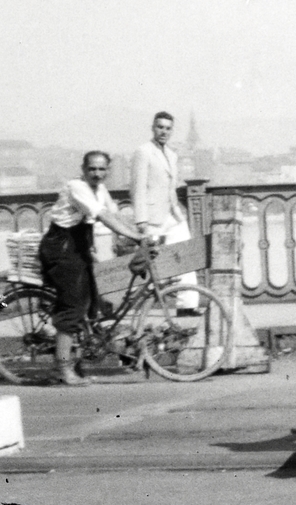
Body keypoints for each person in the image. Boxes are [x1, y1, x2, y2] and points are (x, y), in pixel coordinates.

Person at [39, 151, 145, 386]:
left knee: (91, 303)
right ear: (84, 169)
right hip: (61, 248)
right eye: (92, 169)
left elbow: (115, 214)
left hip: (78, 247)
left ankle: (76, 363)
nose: (97, 173)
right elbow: (103, 216)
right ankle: (63, 369)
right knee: (73, 307)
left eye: (102, 169)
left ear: (107, 171)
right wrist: (134, 236)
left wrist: (143, 234)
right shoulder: (77, 187)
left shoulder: (100, 190)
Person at [129, 111, 201, 312]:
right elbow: (138, 187)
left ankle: (187, 306)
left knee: (186, 257)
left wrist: (178, 210)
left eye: (168, 128)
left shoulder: (172, 154)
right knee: (148, 263)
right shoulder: (143, 152)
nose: (164, 131)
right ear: (153, 127)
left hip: (173, 215)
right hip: (152, 218)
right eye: (160, 127)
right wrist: (141, 219)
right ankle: (135, 304)